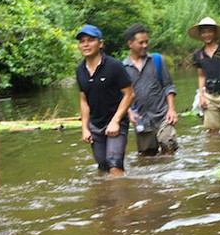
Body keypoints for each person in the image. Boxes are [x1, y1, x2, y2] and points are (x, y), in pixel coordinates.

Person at [75, 24, 135, 176]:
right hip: (95, 125)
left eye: (90, 40)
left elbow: (129, 94)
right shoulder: (80, 70)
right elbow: (83, 99)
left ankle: (122, 199)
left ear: (100, 43)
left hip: (117, 122)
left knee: (114, 165)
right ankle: (107, 199)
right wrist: (85, 128)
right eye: (82, 41)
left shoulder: (114, 66)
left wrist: (115, 120)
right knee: (103, 167)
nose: (86, 44)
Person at [123, 24, 179, 155]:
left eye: (146, 42)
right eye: (140, 43)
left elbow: (168, 86)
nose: (145, 45)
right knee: (147, 157)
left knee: (169, 147)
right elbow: (123, 96)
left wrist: (171, 109)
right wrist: (130, 112)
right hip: (142, 120)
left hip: (163, 115)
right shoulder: (123, 68)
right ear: (130, 44)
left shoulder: (157, 60)